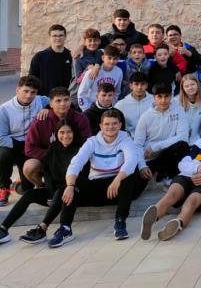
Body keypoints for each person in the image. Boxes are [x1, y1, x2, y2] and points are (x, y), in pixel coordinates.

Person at [48, 109, 151, 246]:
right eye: (107, 124)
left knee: (128, 177)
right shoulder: (92, 142)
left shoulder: (126, 139)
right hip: (100, 187)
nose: (110, 127)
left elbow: (131, 161)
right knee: (69, 186)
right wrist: (70, 185)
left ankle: (120, 222)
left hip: (121, 188)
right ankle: (65, 229)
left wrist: (117, 180)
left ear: (120, 125)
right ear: (101, 126)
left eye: (114, 124)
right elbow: (76, 162)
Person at [140, 116, 201, 242]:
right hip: (187, 176)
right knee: (171, 195)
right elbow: (182, 164)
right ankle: (153, 217)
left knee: (191, 203)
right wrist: (197, 168)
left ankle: (177, 223)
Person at [0, 119, 85, 245]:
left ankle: (42, 229)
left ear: (74, 133)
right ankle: (3, 229)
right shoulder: (53, 148)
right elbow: (48, 174)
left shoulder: (82, 149)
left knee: (62, 191)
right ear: (56, 134)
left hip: (75, 193)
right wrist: (51, 194)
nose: (65, 136)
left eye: (69, 132)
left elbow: (81, 179)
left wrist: (57, 194)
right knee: (29, 194)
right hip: (55, 192)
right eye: (61, 132)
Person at [23, 88, 91, 190]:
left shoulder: (80, 118)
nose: (63, 104)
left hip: (73, 158)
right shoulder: (40, 120)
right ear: (51, 104)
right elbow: (29, 148)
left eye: (66, 100)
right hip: (49, 159)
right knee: (30, 166)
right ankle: (41, 186)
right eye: (58, 101)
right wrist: (53, 156)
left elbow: (87, 144)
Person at [0, 75, 47, 205]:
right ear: (17, 90)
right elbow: (1, 138)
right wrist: (23, 145)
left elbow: (54, 101)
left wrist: (47, 108)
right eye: (25, 91)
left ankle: (19, 184)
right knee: (2, 154)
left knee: (28, 190)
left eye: (33, 92)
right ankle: (3, 187)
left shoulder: (41, 101)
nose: (29, 95)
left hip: (33, 146)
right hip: (14, 147)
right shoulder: (4, 109)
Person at [134, 84, 189, 180]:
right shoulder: (146, 116)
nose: (163, 100)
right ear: (154, 98)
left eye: (166, 96)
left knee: (182, 146)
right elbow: (137, 144)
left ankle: (170, 177)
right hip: (151, 158)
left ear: (171, 96)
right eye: (159, 96)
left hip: (168, 153)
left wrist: (156, 147)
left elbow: (183, 136)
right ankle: (158, 174)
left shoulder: (179, 111)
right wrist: (142, 166)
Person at [76, 45, 124, 112]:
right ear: (103, 57)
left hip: (108, 108)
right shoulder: (92, 72)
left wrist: (112, 105)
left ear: (118, 59)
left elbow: (117, 91)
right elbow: (82, 92)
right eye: (109, 58)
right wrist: (86, 109)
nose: (112, 61)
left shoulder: (119, 72)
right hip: (92, 108)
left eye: (115, 59)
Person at [28, 24, 73, 95]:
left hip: (65, 99)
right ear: (49, 37)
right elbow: (32, 80)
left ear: (65, 37)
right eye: (54, 36)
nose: (58, 38)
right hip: (45, 99)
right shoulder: (39, 57)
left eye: (61, 35)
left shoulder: (71, 56)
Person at [173, 74, 201, 142]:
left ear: (197, 85)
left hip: (197, 142)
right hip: (178, 142)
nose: (190, 88)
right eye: (186, 86)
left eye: (192, 84)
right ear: (183, 88)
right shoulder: (175, 102)